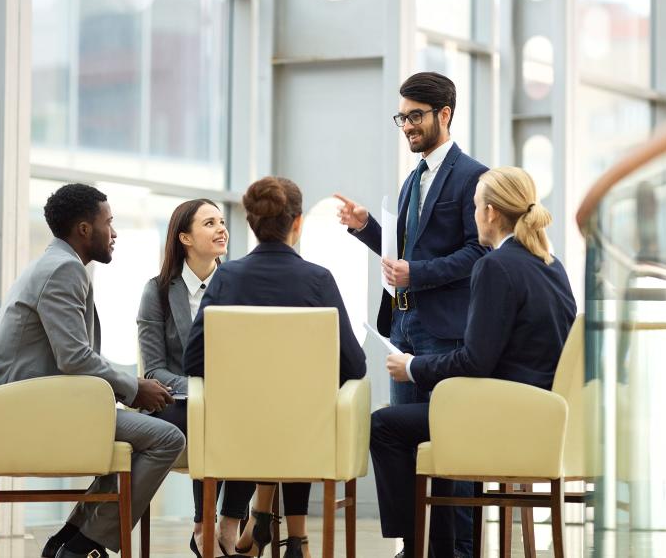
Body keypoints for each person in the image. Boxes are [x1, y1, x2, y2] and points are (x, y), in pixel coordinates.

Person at [368, 167, 577, 557]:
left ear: (491, 213)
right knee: (436, 425)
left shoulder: (495, 267)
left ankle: (414, 547)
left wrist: (412, 366)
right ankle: (440, 549)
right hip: (542, 419)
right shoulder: (553, 266)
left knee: (384, 427)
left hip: (499, 416)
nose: (475, 213)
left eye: (477, 206)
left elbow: (475, 361)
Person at [335, 71, 487, 556]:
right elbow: (404, 250)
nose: (406, 126)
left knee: (453, 444)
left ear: (444, 114)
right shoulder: (412, 180)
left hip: (446, 335)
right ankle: (414, 544)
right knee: (406, 443)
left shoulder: (472, 177)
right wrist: (366, 229)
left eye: (415, 116)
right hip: (404, 330)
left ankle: (457, 548)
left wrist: (416, 274)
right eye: (402, 117)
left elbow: (478, 253)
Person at [0, 183, 184, 558]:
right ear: (83, 229)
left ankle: (68, 542)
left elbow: (72, 357)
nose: (114, 233)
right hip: (34, 410)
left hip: (34, 403)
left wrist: (131, 388)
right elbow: (74, 358)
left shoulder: (53, 264)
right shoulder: (64, 270)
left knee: (136, 438)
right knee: (167, 439)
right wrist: (134, 388)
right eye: (108, 223)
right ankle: (83, 547)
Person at [185, 176, 367, 558]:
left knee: (271, 409)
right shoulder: (318, 281)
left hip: (236, 436)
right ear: (296, 223)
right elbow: (355, 365)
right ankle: (295, 540)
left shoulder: (226, 279)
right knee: (301, 407)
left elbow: (193, 360)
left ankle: (263, 520)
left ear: (251, 223)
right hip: (305, 438)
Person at [136, 198, 255, 557]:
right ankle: (203, 526)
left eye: (222, 221)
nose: (221, 228)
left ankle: (229, 525)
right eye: (209, 223)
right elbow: (153, 369)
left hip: (234, 403)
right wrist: (202, 391)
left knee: (247, 417)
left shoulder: (241, 286)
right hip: (178, 402)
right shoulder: (157, 291)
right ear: (185, 238)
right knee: (202, 414)